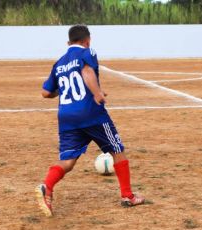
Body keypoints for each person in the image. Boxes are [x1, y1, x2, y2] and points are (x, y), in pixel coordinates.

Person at [36, 24, 145, 217]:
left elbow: (45, 92)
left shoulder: (59, 63)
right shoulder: (87, 52)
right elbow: (87, 72)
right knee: (117, 150)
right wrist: (97, 93)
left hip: (67, 117)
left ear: (68, 42)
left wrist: (64, 89)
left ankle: (47, 186)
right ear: (87, 41)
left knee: (68, 161)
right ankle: (127, 196)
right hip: (91, 114)